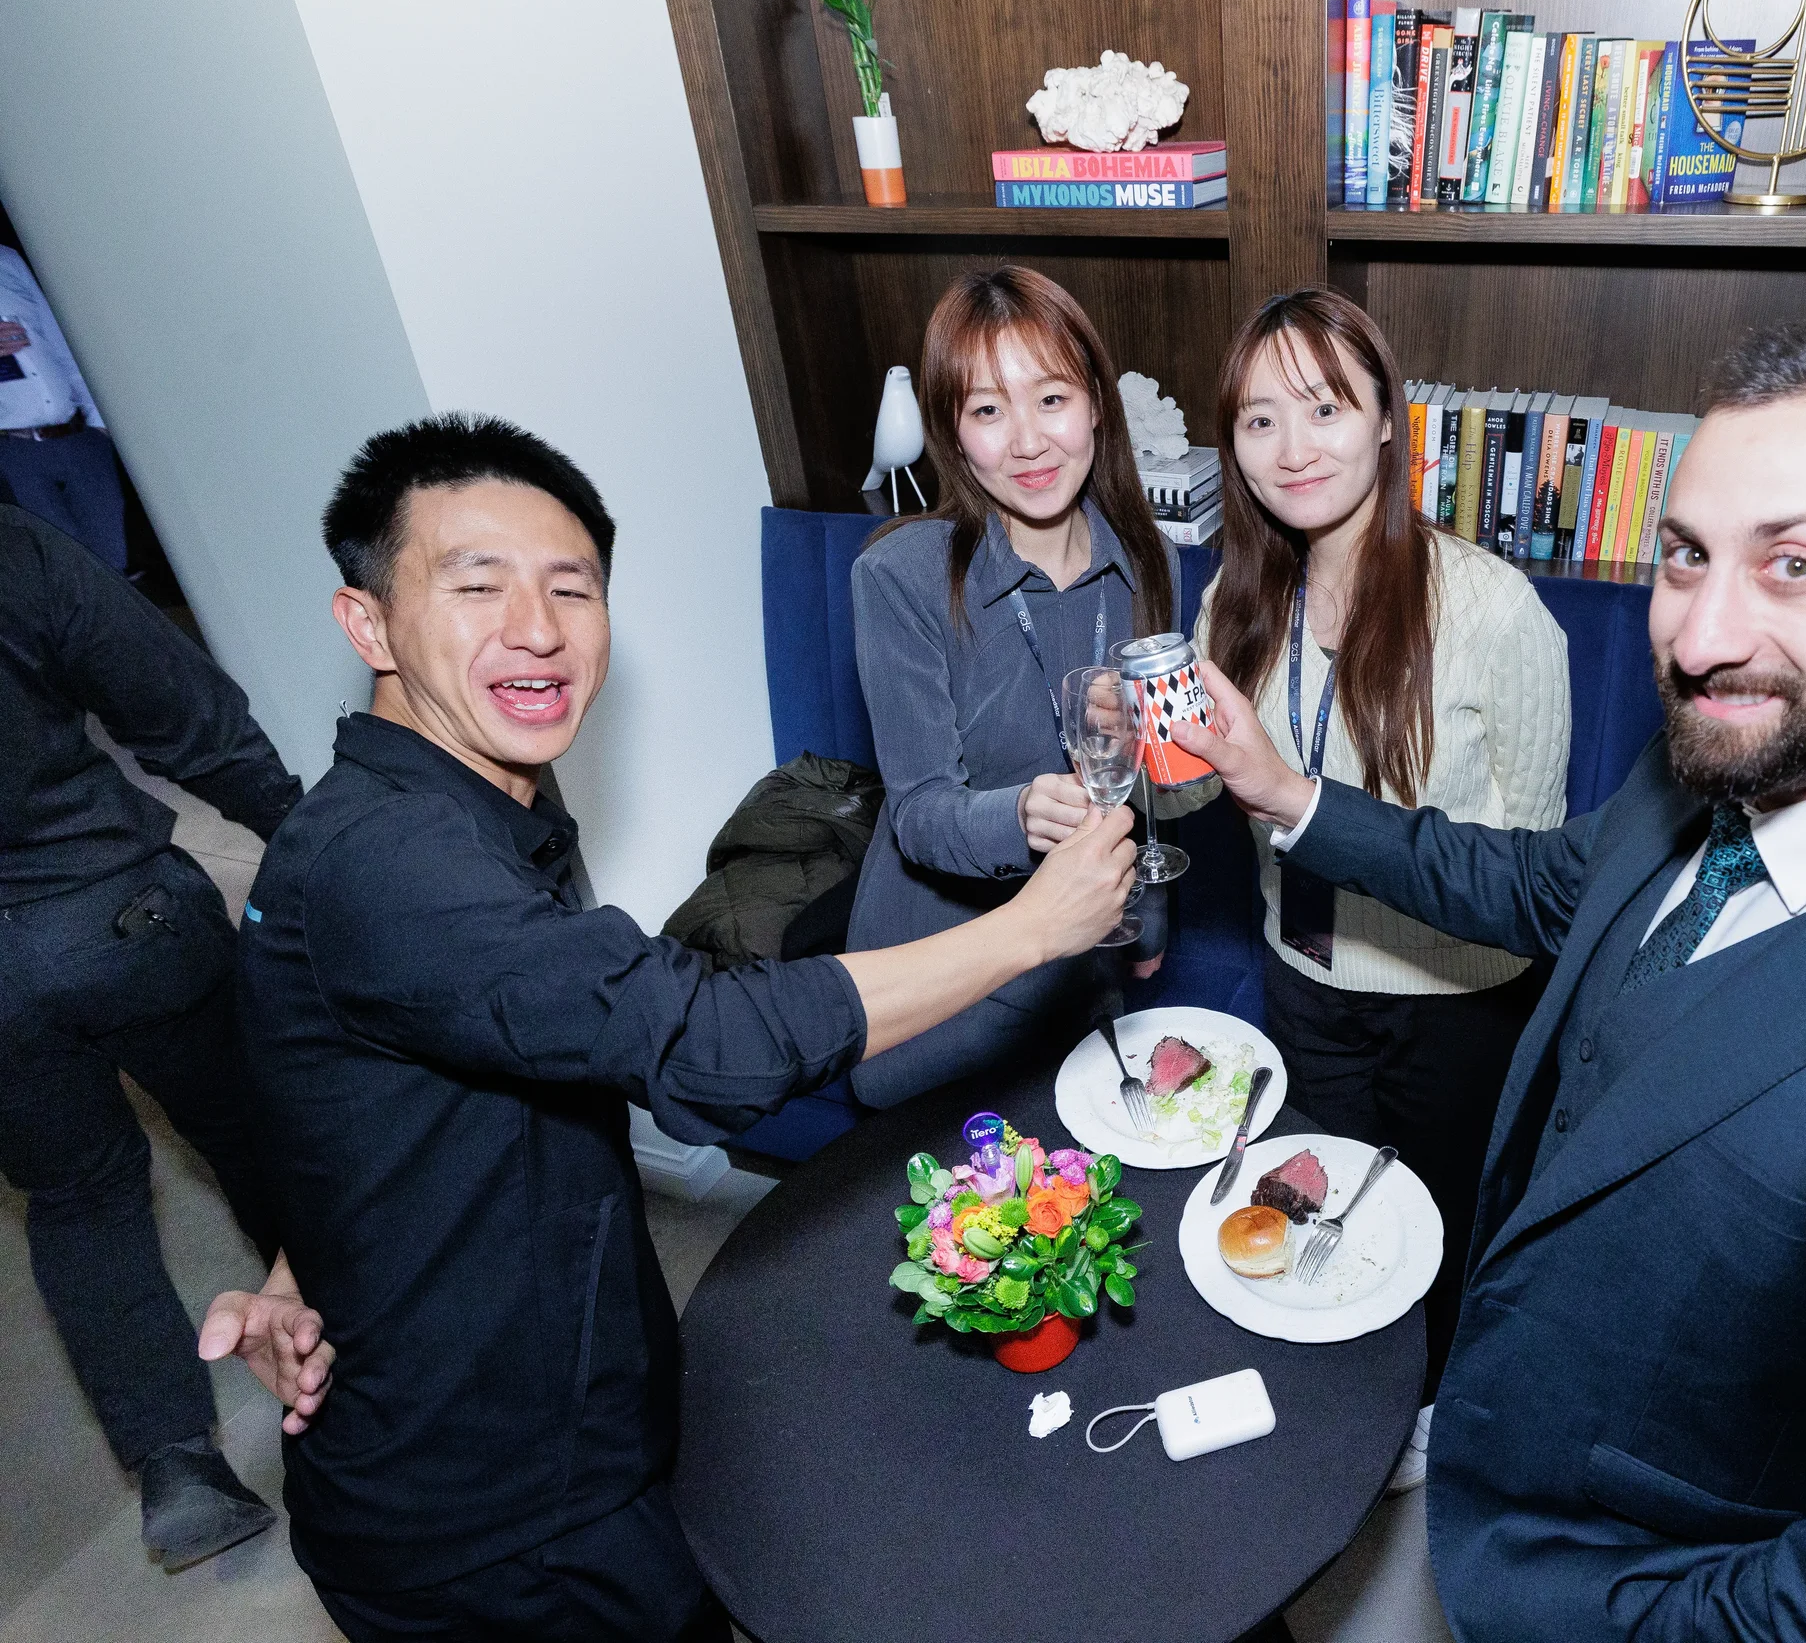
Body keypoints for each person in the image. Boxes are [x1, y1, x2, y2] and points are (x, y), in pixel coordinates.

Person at [1176, 316, 1806, 1642]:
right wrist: (1287, 793)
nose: (1703, 634)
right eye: (1686, 554)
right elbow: (1539, 887)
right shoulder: (1707, 769)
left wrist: (1569, 1606)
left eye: (1793, 563)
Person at [210, 412, 1136, 1642]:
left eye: (570, 587)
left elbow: (361, 1066)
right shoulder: (389, 860)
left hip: (586, 1406)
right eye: (476, 585)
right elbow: (701, 1044)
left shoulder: (478, 805)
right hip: (487, 1516)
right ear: (367, 621)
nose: (536, 628)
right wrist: (1028, 928)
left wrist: (305, 1260)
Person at [1193, 288, 1567, 1383]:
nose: (1292, 447)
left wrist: (1286, 786)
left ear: (1386, 419)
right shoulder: (1237, 595)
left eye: (1324, 408)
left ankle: (1425, 1403)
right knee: (1320, 1222)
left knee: (1431, 1237)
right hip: (1299, 967)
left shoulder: (1496, 612)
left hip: (1454, 999)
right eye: (1259, 420)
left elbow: (1528, 884)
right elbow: (1187, 808)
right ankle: (1342, 1404)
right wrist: (1140, 754)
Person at [0, 504, 308, 1570]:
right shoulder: (15, 550)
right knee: (260, 1125)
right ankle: (355, 1354)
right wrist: (301, 834)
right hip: (121, 918)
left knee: (79, 1194)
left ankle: (178, 1466)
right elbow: (182, 713)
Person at [846, 265, 1182, 1108]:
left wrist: (1148, 917)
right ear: (954, 434)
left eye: (1051, 399)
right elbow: (920, 812)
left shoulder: (1151, 563)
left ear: (1097, 405)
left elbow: (1143, 777)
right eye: (988, 410)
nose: (1028, 442)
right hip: (938, 990)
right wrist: (1021, 814)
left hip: (1081, 973)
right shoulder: (901, 574)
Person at [0, 244, 127, 574]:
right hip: (14, 454)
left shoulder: (6, 259)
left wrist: (99, 423)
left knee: (112, 562)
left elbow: (59, 339)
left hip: (79, 436)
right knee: (58, 572)